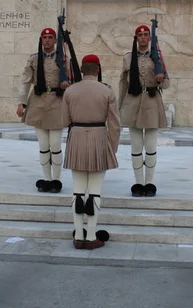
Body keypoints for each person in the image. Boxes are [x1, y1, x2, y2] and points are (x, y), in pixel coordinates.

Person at [62, 54, 120, 250]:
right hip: (98, 137)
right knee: (94, 193)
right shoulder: (107, 91)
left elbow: (63, 121)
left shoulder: (70, 91)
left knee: (78, 191)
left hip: (76, 138)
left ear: (81, 69)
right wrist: (112, 148)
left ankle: (79, 235)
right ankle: (92, 235)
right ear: (97, 70)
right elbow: (114, 125)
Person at [119, 25, 169, 197]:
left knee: (150, 146)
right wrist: (119, 107)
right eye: (139, 35)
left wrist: (161, 80)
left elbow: (168, 83)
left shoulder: (158, 58)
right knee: (136, 145)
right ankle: (138, 183)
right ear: (135, 38)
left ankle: (149, 183)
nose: (142, 37)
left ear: (149, 38)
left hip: (152, 101)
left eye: (145, 35)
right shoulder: (128, 58)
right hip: (133, 102)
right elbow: (123, 83)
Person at [17, 28, 70, 193]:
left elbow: (72, 78)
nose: (47, 40)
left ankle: (56, 180)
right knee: (43, 145)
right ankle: (47, 179)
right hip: (38, 101)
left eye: (50, 38)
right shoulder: (34, 59)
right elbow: (25, 81)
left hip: (57, 101)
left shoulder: (63, 59)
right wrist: (22, 102)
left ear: (55, 40)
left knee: (55, 144)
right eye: (44, 37)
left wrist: (67, 84)